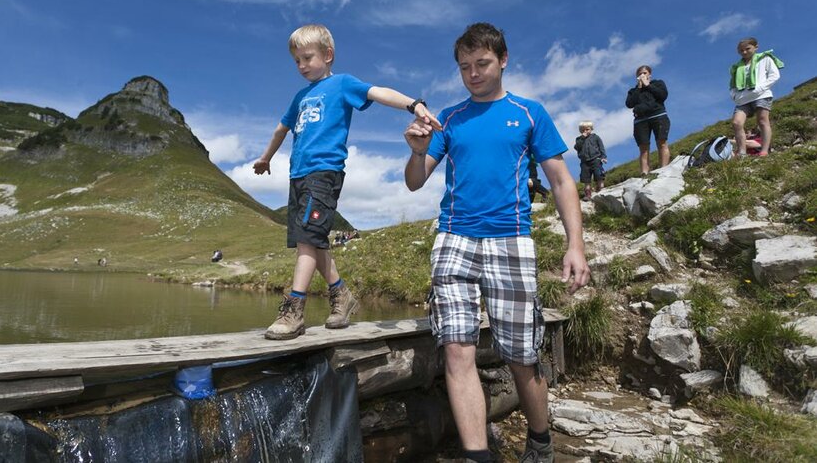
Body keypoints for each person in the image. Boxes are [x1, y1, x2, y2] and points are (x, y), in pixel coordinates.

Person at [403, 23, 589, 463]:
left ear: (502, 60)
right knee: (456, 348)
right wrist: (417, 150)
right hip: (453, 240)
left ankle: (540, 441)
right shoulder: (447, 118)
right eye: (464, 67)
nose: (472, 73)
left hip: (511, 240)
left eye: (481, 63)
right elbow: (415, 183)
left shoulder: (528, 113)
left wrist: (575, 245)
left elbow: (561, 181)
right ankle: (477, 456)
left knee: (522, 356)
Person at [254, 24, 441, 340]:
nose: (301, 66)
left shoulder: (341, 84)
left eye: (307, 58)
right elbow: (280, 130)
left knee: (306, 240)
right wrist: (266, 157)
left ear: (327, 56)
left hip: (324, 173)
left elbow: (377, 91)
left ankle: (294, 310)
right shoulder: (300, 96)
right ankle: (342, 295)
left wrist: (413, 104)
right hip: (297, 176)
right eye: (296, 60)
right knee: (312, 239)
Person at [730, 37, 783, 157]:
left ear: (756, 47)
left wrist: (760, 88)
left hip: (761, 95)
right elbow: (732, 84)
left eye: (747, 49)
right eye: (741, 50)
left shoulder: (765, 59)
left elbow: (774, 75)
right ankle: (742, 152)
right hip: (742, 99)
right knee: (736, 123)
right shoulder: (736, 67)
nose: (744, 52)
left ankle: (764, 151)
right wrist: (734, 95)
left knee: (762, 121)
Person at [625, 65, 670, 174]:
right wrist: (639, 88)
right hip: (640, 120)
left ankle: (664, 169)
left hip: (658, 115)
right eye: (639, 74)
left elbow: (663, 95)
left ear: (649, 74)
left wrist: (648, 85)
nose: (642, 75)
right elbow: (629, 104)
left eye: (644, 73)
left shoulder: (658, 83)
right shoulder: (633, 91)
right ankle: (644, 173)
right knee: (643, 148)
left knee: (661, 142)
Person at [574, 121, 608, 201]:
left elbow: (601, 147)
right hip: (584, 162)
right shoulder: (579, 139)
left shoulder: (595, 137)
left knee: (599, 175)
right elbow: (577, 147)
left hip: (596, 159)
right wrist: (582, 137)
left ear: (591, 129)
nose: (585, 131)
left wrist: (603, 157)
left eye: (587, 129)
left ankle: (601, 190)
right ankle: (588, 194)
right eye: (583, 130)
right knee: (586, 179)